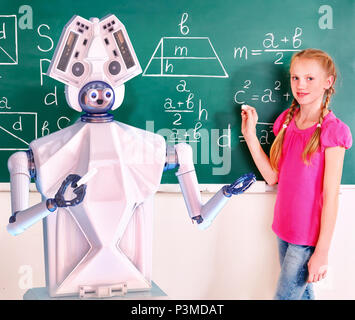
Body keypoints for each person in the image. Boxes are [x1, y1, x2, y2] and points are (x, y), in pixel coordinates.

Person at [241, 48, 352, 300]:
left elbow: (331, 197)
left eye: (309, 78)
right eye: (295, 77)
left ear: (328, 82)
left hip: (306, 237)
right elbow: (272, 176)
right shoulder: (286, 122)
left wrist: (322, 251)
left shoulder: (333, 132)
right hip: (284, 227)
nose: (300, 85)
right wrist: (249, 134)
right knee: (301, 296)